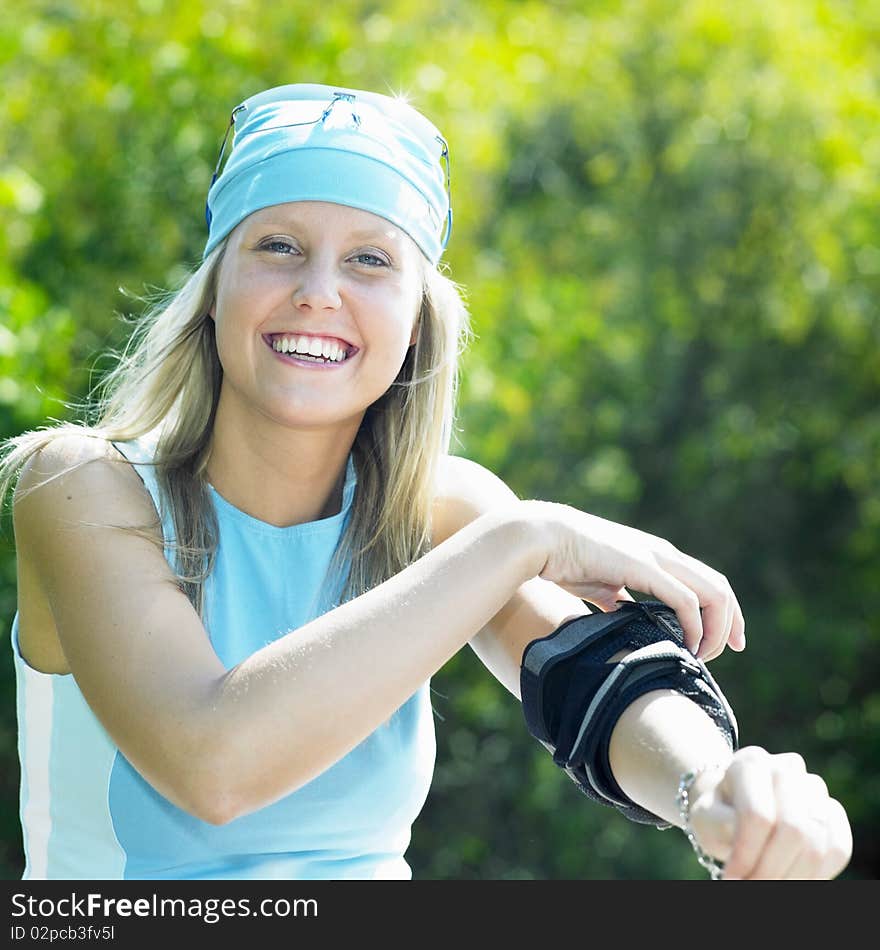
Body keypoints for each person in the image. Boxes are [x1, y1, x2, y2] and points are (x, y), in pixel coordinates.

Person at [0, 82, 852, 881]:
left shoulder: (445, 516)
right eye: (279, 247)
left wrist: (714, 792)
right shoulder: (81, 489)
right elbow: (212, 763)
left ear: (414, 324)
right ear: (216, 290)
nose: (318, 293)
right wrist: (525, 538)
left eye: (369, 261)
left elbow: (598, 679)